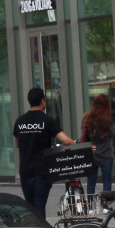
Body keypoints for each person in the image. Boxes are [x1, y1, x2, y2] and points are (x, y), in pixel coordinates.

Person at [13, 87, 75, 220]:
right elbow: (64, 140)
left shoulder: (19, 122)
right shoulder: (48, 121)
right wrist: (76, 144)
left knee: (30, 208)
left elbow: (17, 144)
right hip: (42, 172)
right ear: (42, 101)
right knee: (40, 206)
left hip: (25, 171)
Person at [81, 93, 115, 194]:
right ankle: (105, 206)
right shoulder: (108, 119)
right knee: (107, 181)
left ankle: (91, 207)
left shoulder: (87, 117)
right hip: (106, 153)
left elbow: (84, 136)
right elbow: (112, 134)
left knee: (91, 181)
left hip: (92, 153)